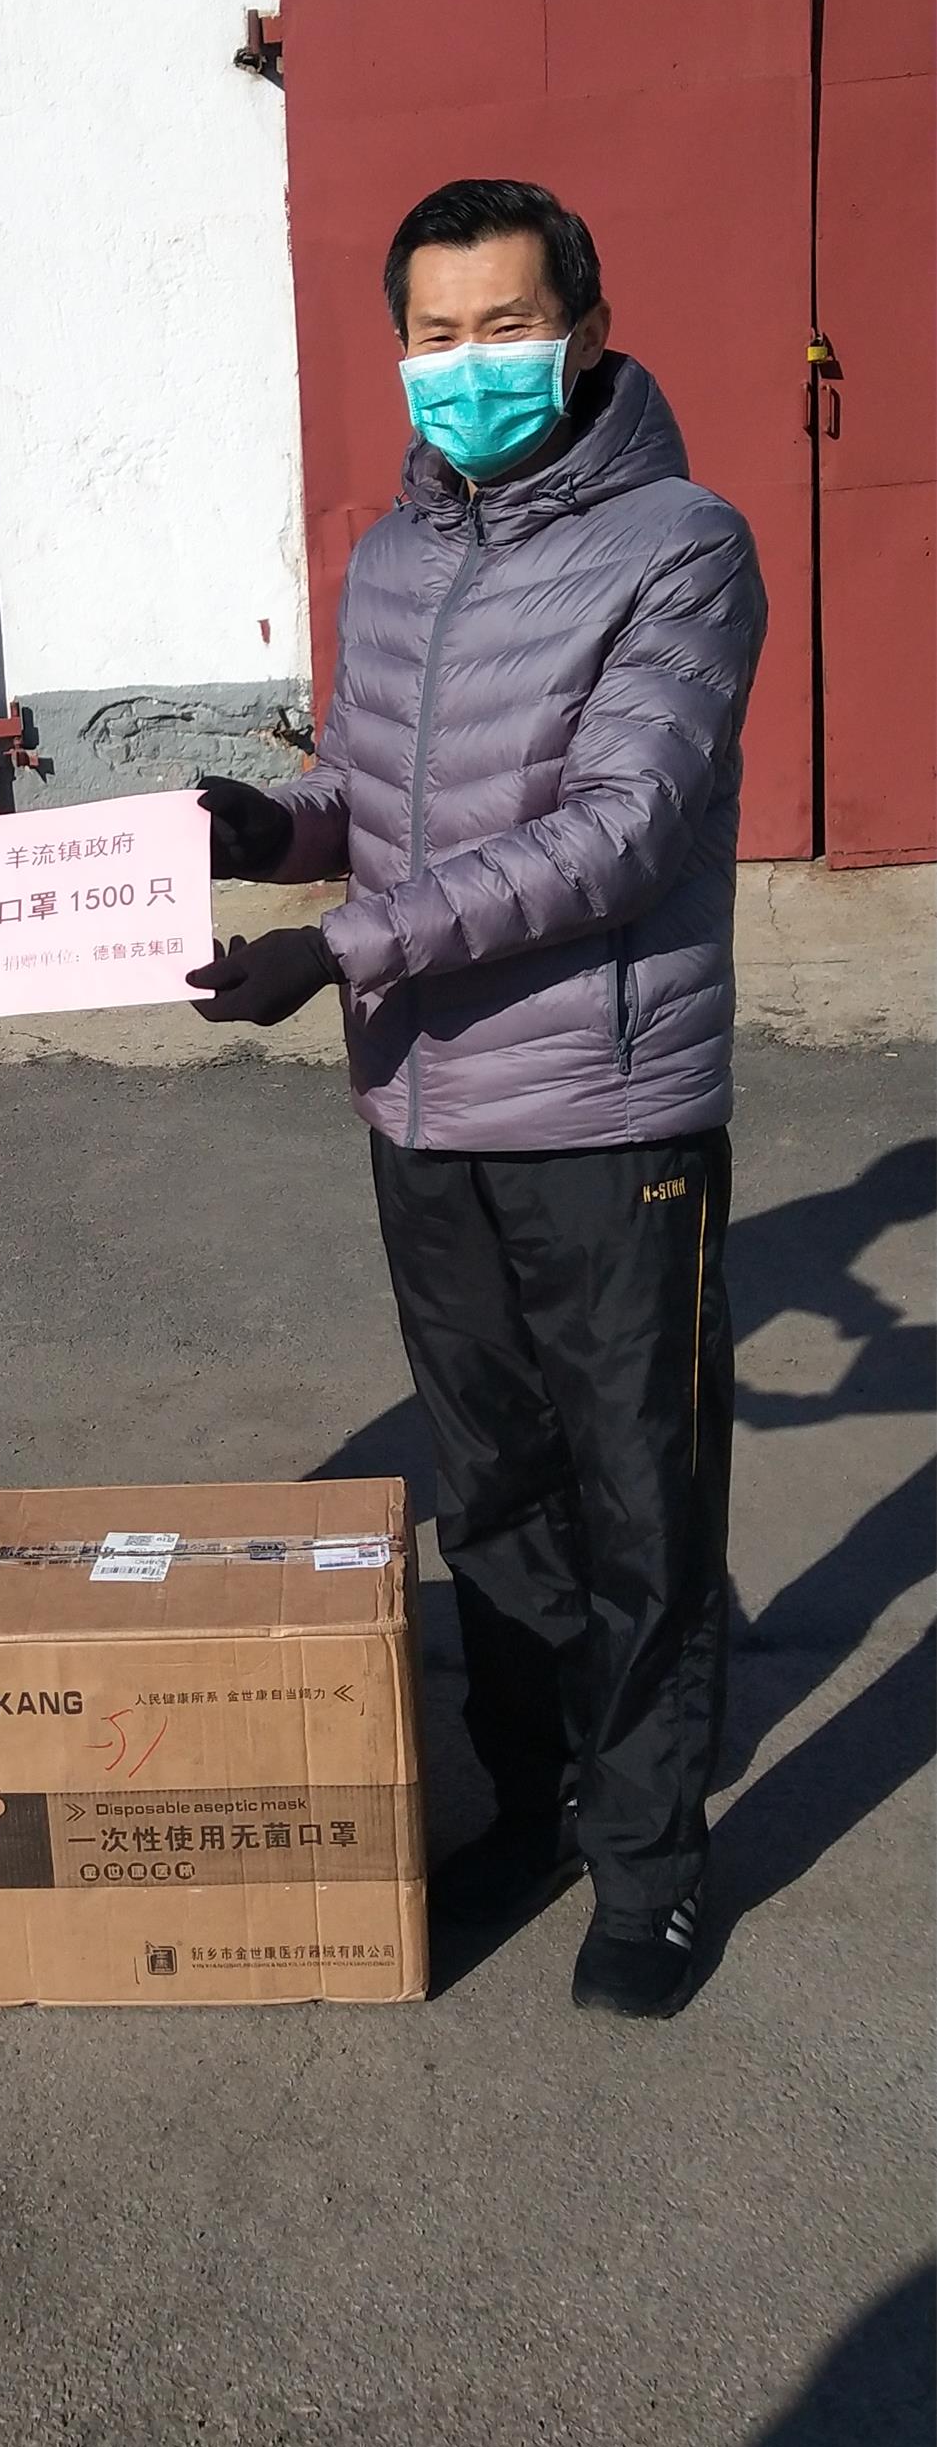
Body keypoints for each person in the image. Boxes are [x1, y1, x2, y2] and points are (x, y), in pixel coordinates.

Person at [188, 178, 766, 2019]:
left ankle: (651, 1866)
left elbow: (616, 834)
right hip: (423, 1117)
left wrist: (341, 949)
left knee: (640, 1500)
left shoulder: (683, 544)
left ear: (583, 329)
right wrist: (259, 831)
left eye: (502, 328)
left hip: (606, 1114)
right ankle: (537, 1801)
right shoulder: (392, 557)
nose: (466, 366)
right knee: (495, 1490)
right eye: (431, 336)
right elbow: (366, 801)